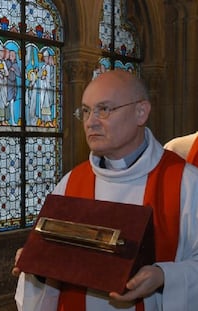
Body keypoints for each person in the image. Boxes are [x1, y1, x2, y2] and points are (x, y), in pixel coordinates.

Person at [12, 70, 198, 311]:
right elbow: (52, 270)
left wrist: (164, 276)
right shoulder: (71, 184)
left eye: (104, 109)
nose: (91, 121)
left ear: (141, 112)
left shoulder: (186, 183)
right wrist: (38, 265)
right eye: (86, 111)